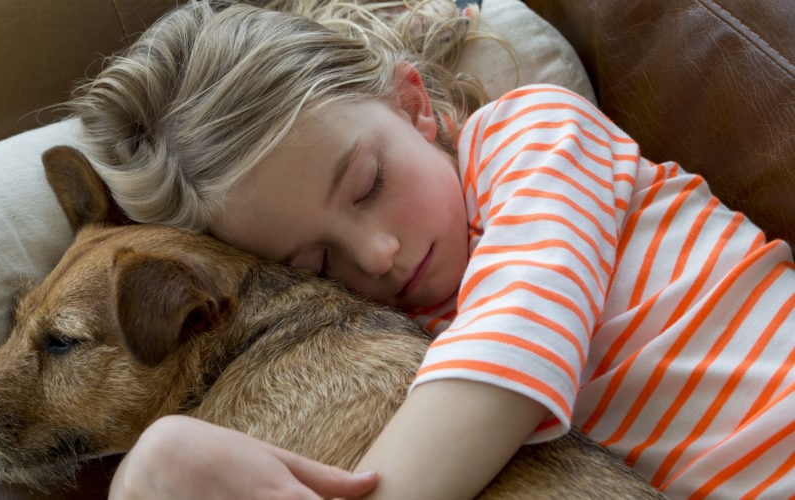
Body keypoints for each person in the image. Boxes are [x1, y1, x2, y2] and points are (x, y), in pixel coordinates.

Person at [71, 1, 795, 498]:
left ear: (413, 105)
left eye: (367, 183)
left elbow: (511, 353)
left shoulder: (533, 136)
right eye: (317, 264)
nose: (378, 255)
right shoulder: (394, 338)